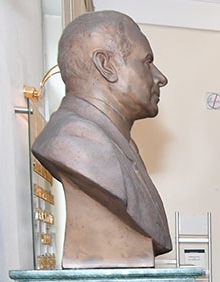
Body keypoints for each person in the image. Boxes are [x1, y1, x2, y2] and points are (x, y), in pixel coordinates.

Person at [31, 10, 173, 268]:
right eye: (147, 62)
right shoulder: (75, 142)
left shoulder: (119, 145)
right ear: (106, 65)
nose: (160, 78)